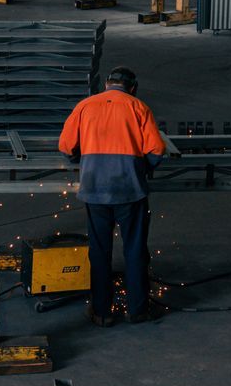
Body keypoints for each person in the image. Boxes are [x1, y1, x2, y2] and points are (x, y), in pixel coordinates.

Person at [57, 65, 168, 326]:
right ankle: (138, 310)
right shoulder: (138, 107)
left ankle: (101, 312)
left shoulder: (85, 106)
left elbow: (66, 146)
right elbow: (156, 149)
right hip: (130, 191)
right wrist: (141, 169)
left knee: (99, 251)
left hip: (95, 190)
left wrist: (83, 161)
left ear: (106, 84)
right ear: (133, 88)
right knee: (135, 250)